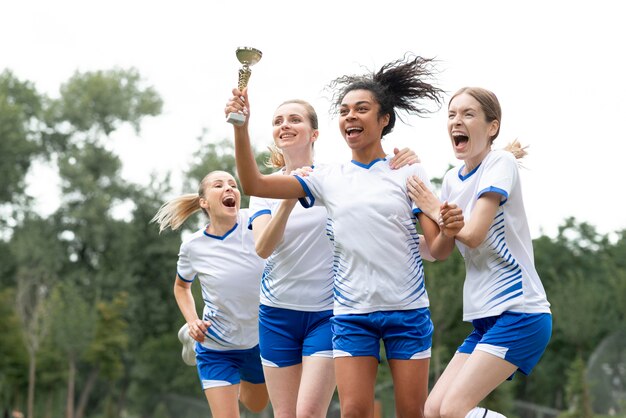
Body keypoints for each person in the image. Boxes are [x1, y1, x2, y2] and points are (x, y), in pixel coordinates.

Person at [226, 54, 459, 418]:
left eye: (362, 109)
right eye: (345, 110)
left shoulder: (407, 169)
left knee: (412, 412)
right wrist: (241, 127)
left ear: (384, 120)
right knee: (352, 412)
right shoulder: (327, 178)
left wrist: (448, 224)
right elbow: (254, 183)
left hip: (407, 312)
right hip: (351, 315)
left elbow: (439, 249)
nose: (350, 116)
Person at [248, 98, 422, 418]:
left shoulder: (333, 178)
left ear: (314, 133)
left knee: (309, 413)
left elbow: (375, 217)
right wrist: (291, 196)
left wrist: (405, 159)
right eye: (278, 120)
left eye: (295, 119)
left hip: (327, 313)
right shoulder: (265, 189)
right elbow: (263, 247)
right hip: (276, 314)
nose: (285, 125)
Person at [407, 87, 552, 418]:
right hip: (486, 319)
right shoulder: (450, 180)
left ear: (492, 127)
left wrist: (430, 204)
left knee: (454, 409)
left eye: (468, 114)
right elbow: (439, 250)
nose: (457, 121)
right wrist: (404, 231)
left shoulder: (500, 163)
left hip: (521, 312)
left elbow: (472, 235)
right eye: (452, 114)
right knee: (433, 411)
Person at [152, 170, 269, 418]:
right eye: (218, 185)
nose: (229, 188)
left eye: (232, 184)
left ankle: (234, 382)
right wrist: (192, 320)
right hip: (216, 344)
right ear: (204, 201)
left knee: (257, 404)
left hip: (259, 341)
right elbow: (181, 286)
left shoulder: (255, 221)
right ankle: (193, 338)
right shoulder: (193, 246)